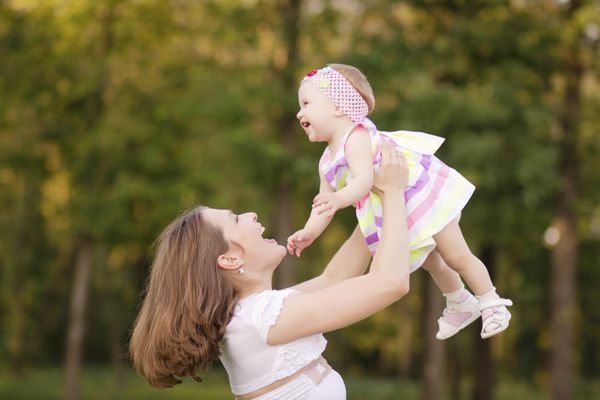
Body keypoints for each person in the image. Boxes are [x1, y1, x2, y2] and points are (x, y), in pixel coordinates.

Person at [130, 145, 412, 399]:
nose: (251, 214)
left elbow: (335, 278)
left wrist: (376, 200)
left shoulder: (252, 315)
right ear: (229, 258)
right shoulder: (264, 319)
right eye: (236, 219)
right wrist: (393, 192)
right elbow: (390, 283)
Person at [287, 64, 512, 340]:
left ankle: (491, 302)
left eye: (307, 103)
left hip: (419, 195)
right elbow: (323, 205)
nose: (300, 112)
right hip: (395, 208)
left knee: (455, 254)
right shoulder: (326, 160)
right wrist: (310, 231)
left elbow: (363, 181)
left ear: (338, 107)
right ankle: (459, 302)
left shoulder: (355, 137)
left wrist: (338, 198)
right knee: (431, 260)